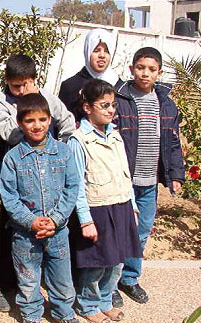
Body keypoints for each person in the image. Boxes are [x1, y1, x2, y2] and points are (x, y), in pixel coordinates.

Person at [0, 54, 75, 312]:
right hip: (18, 171)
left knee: (53, 238)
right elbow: (9, 133)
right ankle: (4, 284)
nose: (22, 90)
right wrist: (26, 113)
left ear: (34, 80)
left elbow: (66, 119)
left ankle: (54, 293)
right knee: (12, 232)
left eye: (27, 84)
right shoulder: (1, 101)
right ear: (7, 83)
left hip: (50, 168)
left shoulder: (46, 98)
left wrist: (65, 143)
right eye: (16, 87)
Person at [0, 93, 80, 323]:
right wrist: (31, 221)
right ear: (19, 123)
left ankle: (64, 313)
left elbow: (71, 188)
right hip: (25, 235)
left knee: (62, 279)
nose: (37, 126)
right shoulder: (13, 159)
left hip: (58, 231)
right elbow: (10, 197)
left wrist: (55, 220)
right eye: (30, 121)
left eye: (42, 120)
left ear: (51, 119)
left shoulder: (63, 153)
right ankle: (31, 314)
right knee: (28, 279)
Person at [113, 47, 185, 305]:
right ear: (132, 69)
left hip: (149, 182)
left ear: (159, 72)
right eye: (141, 67)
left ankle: (130, 278)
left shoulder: (165, 102)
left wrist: (175, 174)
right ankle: (110, 283)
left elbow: (173, 141)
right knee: (119, 231)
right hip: (123, 180)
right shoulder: (118, 98)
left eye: (151, 69)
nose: (145, 73)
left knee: (141, 231)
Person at [67, 79, 142, 323]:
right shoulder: (78, 140)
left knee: (118, 260)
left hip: (120, 205)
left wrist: (132, 205)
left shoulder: (116, 136)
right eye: (104, 105)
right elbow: (76, 185)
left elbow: (125, 173)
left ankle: (106, 301)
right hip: (98, 209)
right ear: (87, 107)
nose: (111, 110)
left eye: (113, 105)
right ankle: (88, 305)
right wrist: (85, 220)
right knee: (97, 262)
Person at [59, 28, 122, 120]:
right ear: (87, 52)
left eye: (106, 51)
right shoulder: (70, 87)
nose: (102, 55)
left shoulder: (120, 87)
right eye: (96, 50)